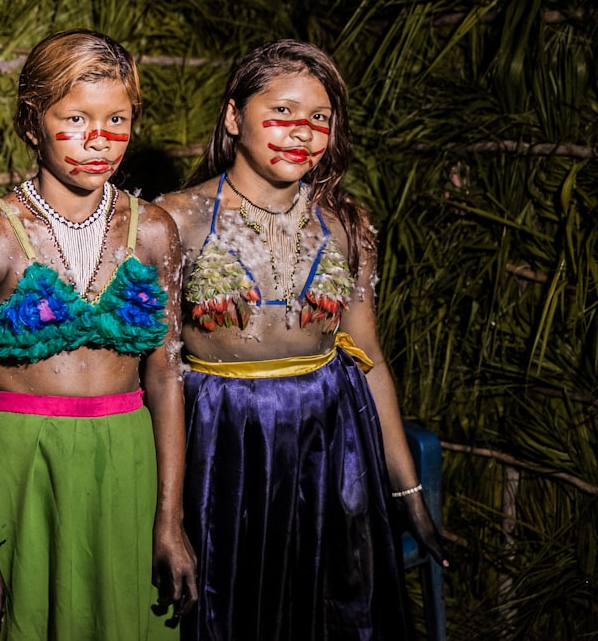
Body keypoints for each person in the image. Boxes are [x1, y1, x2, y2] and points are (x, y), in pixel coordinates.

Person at [154, 40, 451, 640]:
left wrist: (408, 491)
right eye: (283, 112)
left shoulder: (345, 222)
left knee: (334, 611)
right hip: (224, 442)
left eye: (320, 118)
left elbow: (370, 362)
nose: (303, 133)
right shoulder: (173, 220)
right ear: (235, 117)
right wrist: (167, 514)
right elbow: (157, 370)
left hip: (333, 441)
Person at [0, 28, 197, 640]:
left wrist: (169, 519)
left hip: (125, 460)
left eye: (117, 120)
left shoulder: (154, 231)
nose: (98, 139)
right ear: (32, 123)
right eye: (76, 117)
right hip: (23, 464)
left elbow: (165, 380)